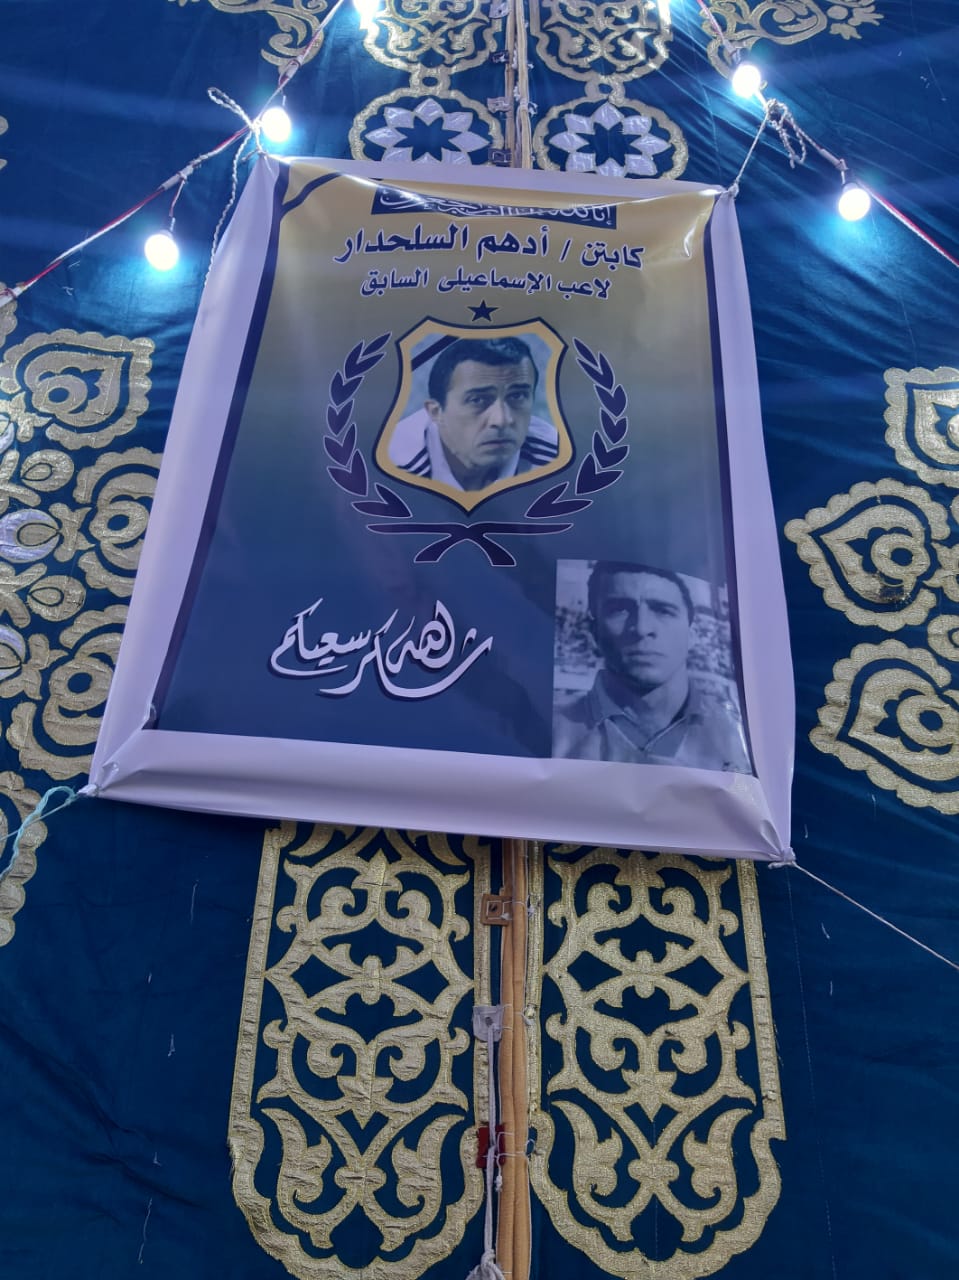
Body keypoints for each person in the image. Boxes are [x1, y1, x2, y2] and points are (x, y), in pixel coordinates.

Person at [552, 560, 751, 772]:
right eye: (619, 610)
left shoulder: (740, 738)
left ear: (692, 634)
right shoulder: (553, 730)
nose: (641, 628)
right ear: (594, 632)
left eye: (663, 610)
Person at [393, 336, 559, 492]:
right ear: (436, 412)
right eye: (477, 400)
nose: (501, 420)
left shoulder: (557, 459)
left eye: (517, 396)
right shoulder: (394, 466)